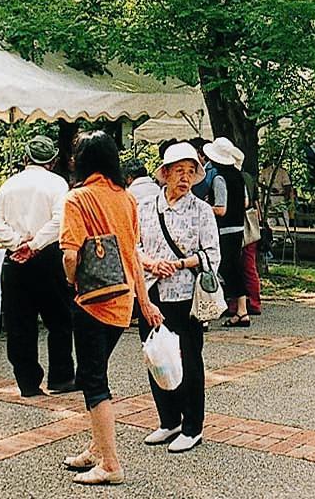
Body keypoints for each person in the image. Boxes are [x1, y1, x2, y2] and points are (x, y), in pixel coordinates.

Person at [60, 132, 163, 484]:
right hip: (124, 302)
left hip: (92, 303)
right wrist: (145, 303)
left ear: (83, 160)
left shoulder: (77, 199)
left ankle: (111, 464)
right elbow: (133, 253)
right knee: (98, 370)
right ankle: (96, 448)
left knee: (93, 380)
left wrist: (72, 280)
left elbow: (70, 255)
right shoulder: (128, 199)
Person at [135, 141, 220, 455]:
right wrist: (149, 263)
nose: (185, 178)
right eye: (179, 171)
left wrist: (181, 263)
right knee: (155, 356)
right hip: (150, 292)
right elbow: (132, 247)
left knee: (188, 358)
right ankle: (168, 419)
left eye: (190, 172)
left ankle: (192, 426)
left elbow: (212, 255)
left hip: (185, 295)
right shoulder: (145, 207)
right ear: (165, 173)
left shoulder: (201, 210)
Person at [0, 135, 75, 397]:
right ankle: (60, 377)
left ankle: (27, 382)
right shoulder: (57, 183)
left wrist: (17, 243)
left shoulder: (9, 184)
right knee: (59, 319)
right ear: (53, 160)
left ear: (26, 158)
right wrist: (35, 244)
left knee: (19, 323)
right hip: (48, 257)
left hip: (14, 259)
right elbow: (61, 221)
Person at [203, 137, 251, 327]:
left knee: (223, 268)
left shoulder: (219, 178)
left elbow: (221, 209)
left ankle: (232, 309)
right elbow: (245, 203)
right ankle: (242, 310)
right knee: (235, 268)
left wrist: (205, 206)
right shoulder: (239, 176)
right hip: (239, 227)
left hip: (224, 230)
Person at [233, 147, 262, 317]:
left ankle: (247, 302)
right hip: (252, 221)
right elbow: (256, 202)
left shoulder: (237, 177)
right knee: (249, 264)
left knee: (242, 264)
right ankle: (254, 301)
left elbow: (245, 202)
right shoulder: (249, 178)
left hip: (241, 223)